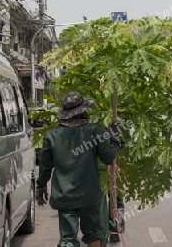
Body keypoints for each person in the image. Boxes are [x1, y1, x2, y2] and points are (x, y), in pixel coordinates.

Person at [36, 91, 123, 247]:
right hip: (90, 196)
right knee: (94, 235)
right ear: (82, 112)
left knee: (67, 239)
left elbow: (45, 167)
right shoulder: (94, 131)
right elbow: (108, 157)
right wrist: (114, 138)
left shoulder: (52, 136)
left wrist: (41, 186)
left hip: (64, 195)